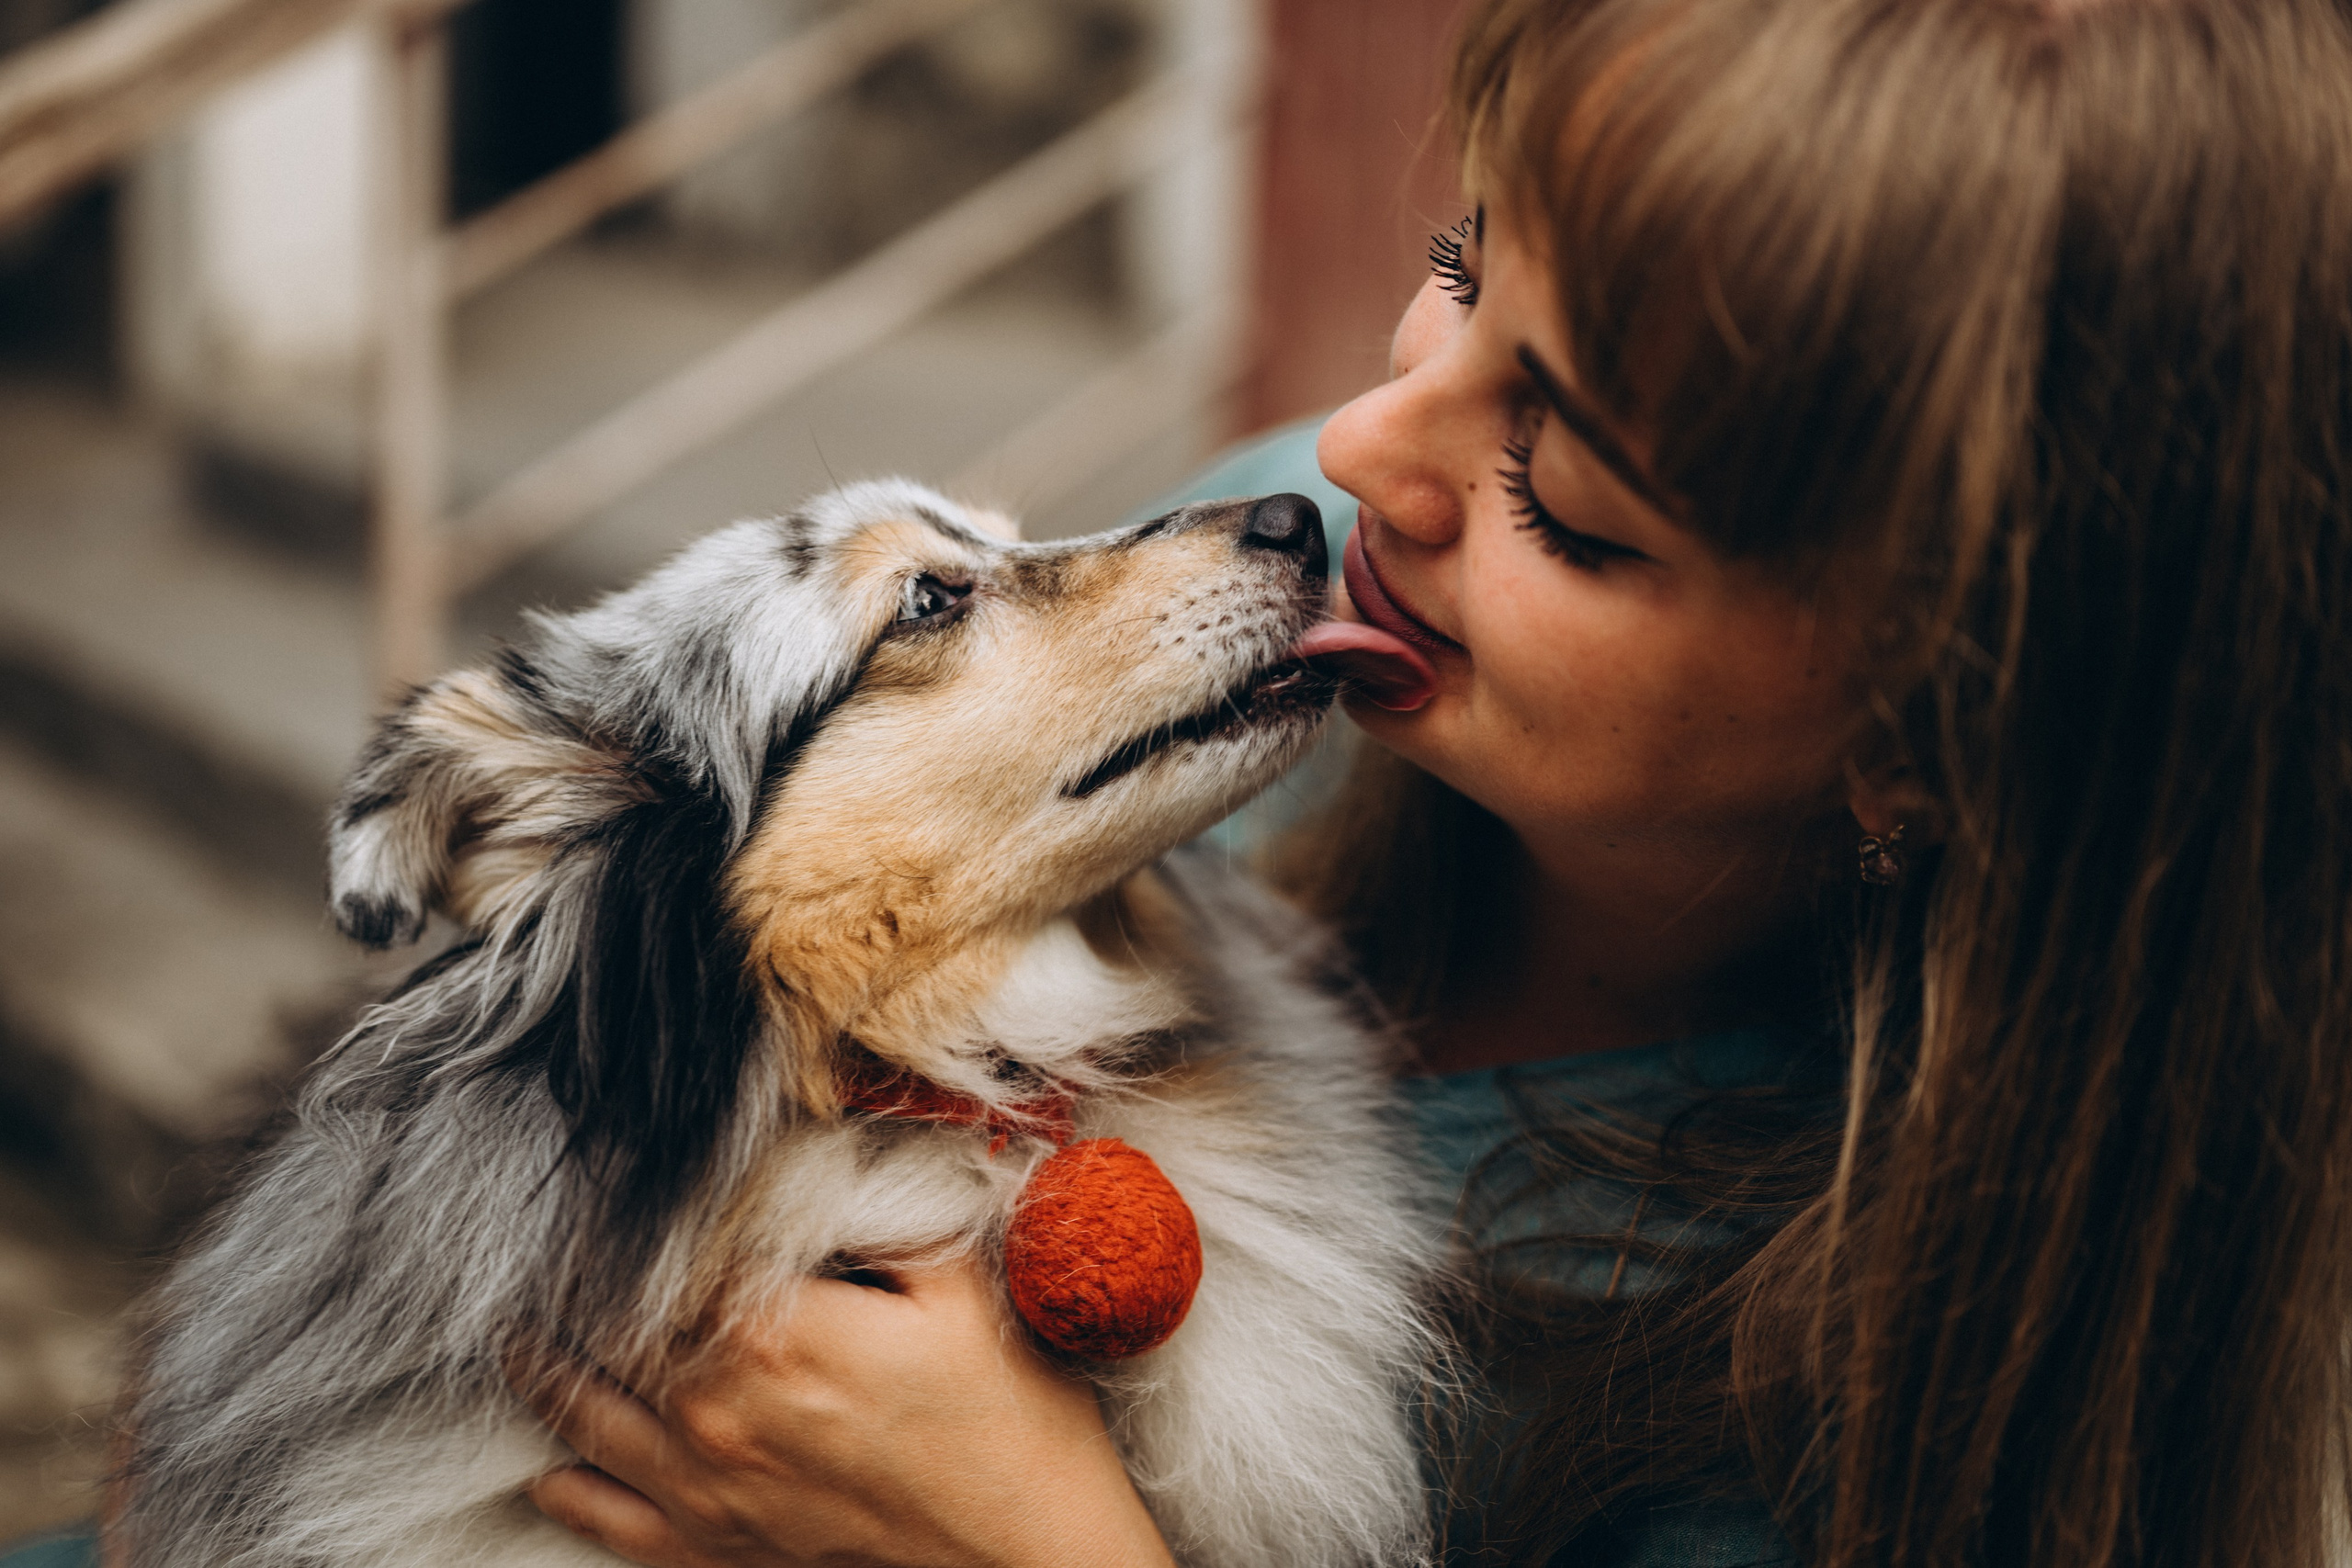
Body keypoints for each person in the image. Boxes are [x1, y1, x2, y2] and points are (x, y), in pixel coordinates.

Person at [30, 0, 2351, 1563]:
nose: (1355, 458)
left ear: (1929, 738)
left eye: (1573, 497)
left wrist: (1048, 1540)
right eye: (1454, 278)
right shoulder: (1331, 594)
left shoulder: (1859, 1409)